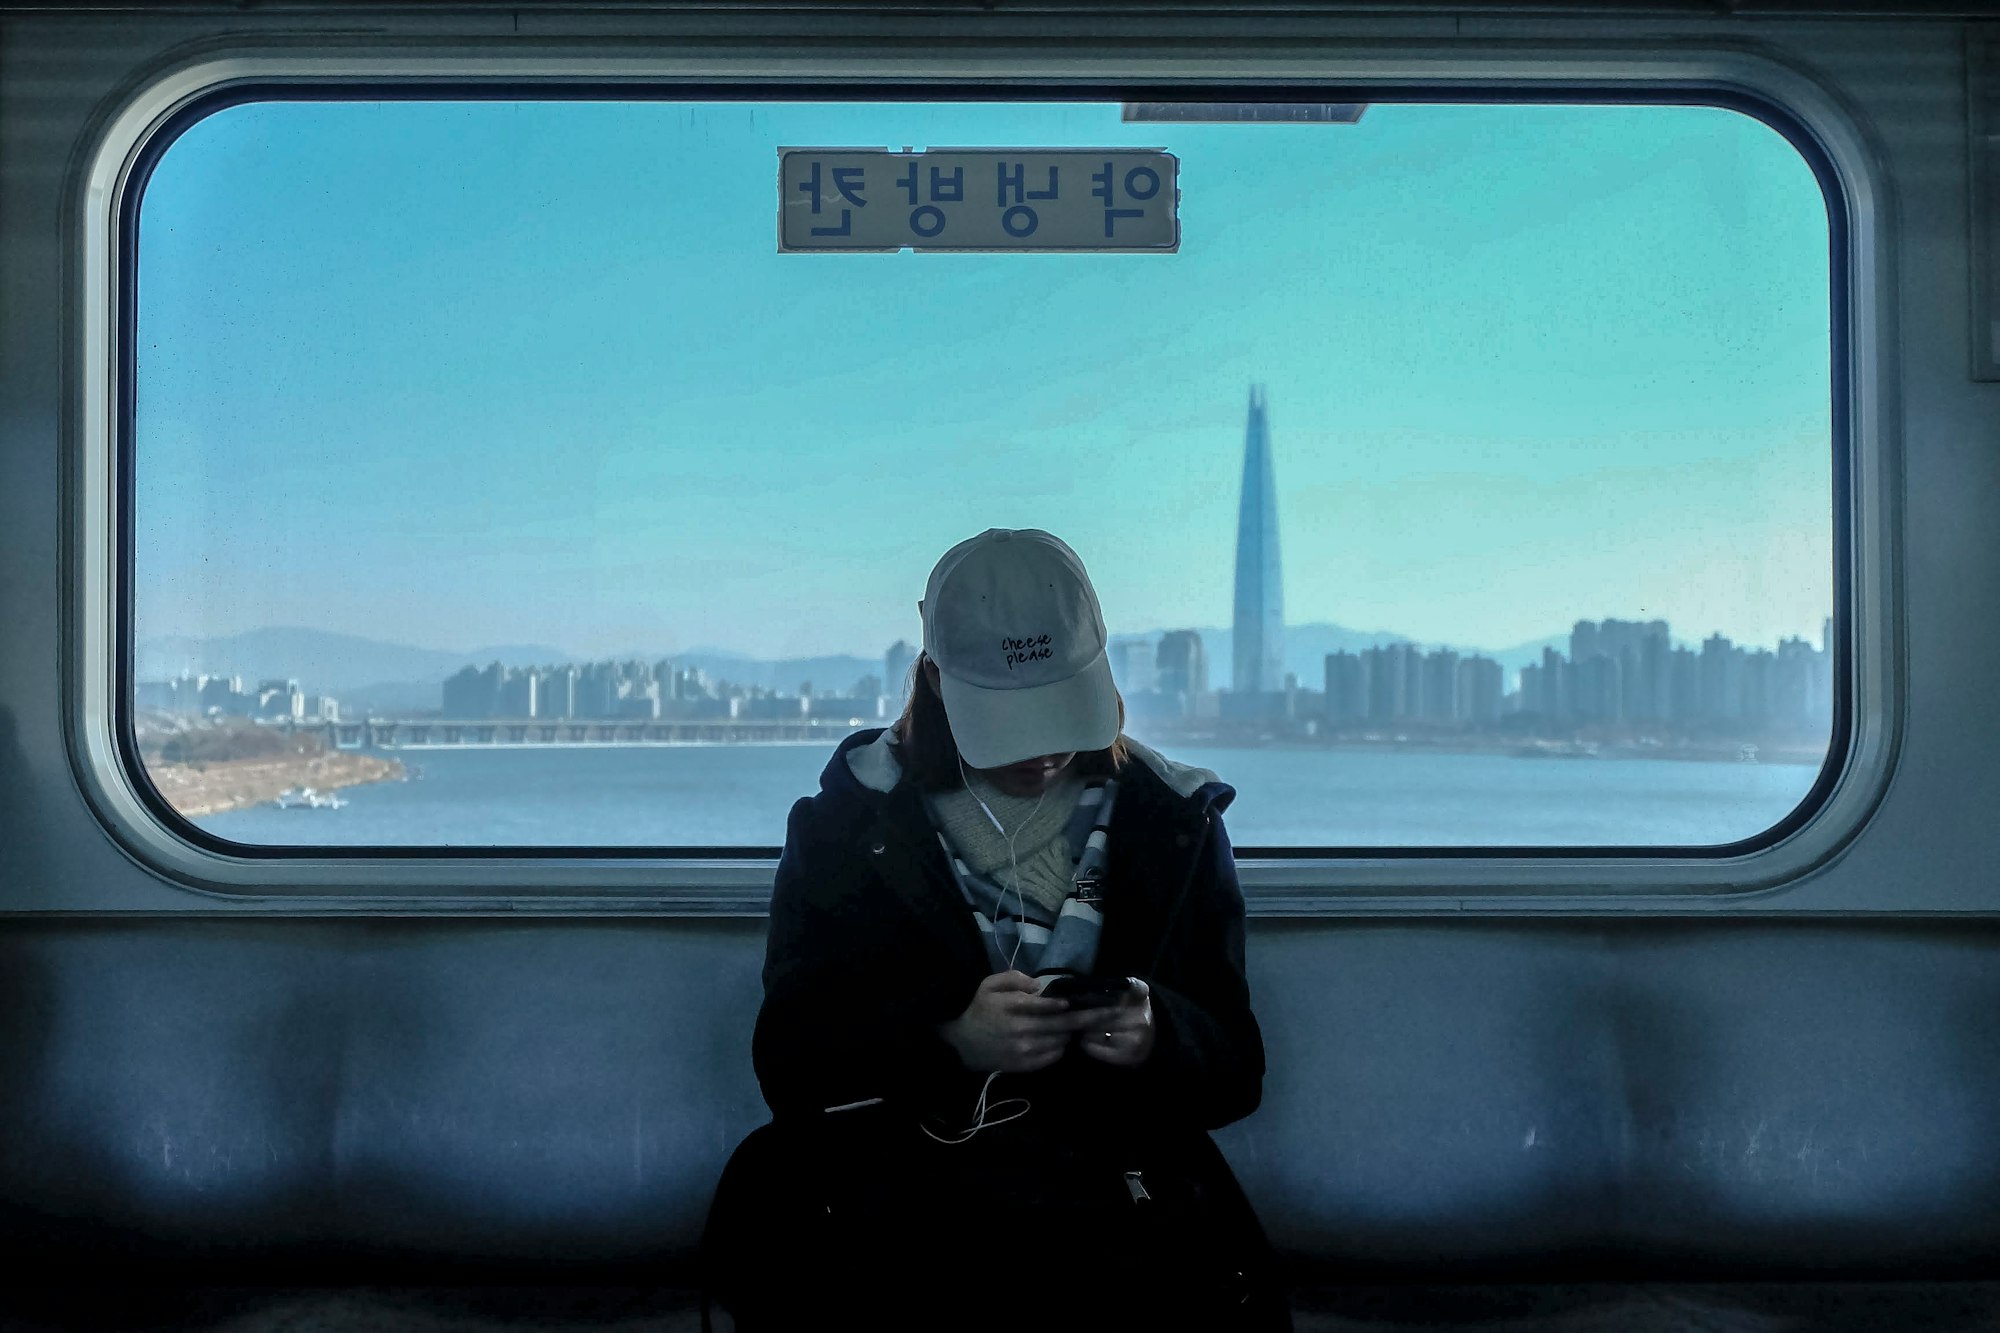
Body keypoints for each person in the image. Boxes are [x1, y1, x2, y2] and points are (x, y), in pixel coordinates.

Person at [703, 529, 1288, 1331]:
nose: (1044, 751)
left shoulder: (1171, 822)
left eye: (1059, 710)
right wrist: (948, 1037)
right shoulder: (847, 824)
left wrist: (1157, 1029)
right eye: (1012, 720)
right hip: (898, 1214)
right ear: (936, 683)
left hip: (1118, 1206)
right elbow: (790, 1058)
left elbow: (1236, 1067)